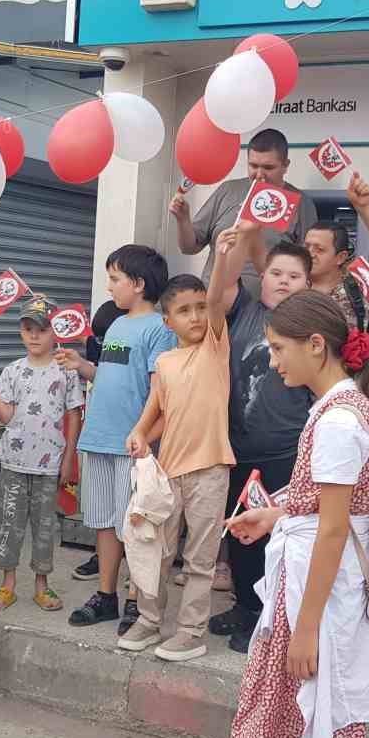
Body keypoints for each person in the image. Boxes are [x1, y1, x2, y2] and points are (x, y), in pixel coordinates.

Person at [225, 289, 369, 738]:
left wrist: (306, 628)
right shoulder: (342, 409)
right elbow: (324, 509)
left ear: (316, 346)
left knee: (329, 719)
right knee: (282, 706)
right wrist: (275, 517)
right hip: (306, 589)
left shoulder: (338, 423)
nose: (273, 361)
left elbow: (332, 529)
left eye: (278, 349)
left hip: (320, 599)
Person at [207, 229, 315, 654]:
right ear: (261, 278)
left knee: (277, 538)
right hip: (237, 448)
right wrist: (222, 254)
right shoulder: (246, 313)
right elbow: (217, 295)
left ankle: (273, 617)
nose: (284, 281)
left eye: (294, 275)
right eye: (275, 273)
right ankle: (247, 607)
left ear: (307, 285)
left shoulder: (310, 328)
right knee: (240, 534)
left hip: (284, 454)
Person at [58, 245, 176, 632]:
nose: (109, 287)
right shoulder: (118, 325)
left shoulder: (160, 329)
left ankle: (134, 600)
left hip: (132, 446)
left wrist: (142, 434)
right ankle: (106, 595)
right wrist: (83, 367)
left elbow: (160, 392)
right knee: (105, 524)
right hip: (99, 438)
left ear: (138, 284)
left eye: (114, 278)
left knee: (136, 527)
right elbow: (113, 377)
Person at [123, 270, 234, 662]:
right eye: (184, 311)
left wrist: (223, 254)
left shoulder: (216, 349)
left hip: (210, 469)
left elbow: (220, 295)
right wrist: (139, 432)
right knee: (158, 551)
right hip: (167, 471)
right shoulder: (166, 360)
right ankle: (149, 620)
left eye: (200, 307)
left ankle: (191, 632)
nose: (196, 317)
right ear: (167, 321)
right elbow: (157, 407)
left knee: (200, 559)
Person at [0, 295, 84, 612]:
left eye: (41, 329)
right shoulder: (13, 371)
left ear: (55, 331)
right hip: (14, 463)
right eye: (27, 328)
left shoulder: (66, 370)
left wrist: (69, 458)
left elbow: (73, 414)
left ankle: (42, 585)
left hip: (50, 465)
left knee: (44, 526)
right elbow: (6, 414)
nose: (34, 336)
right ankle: (7, 584)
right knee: (8, 523)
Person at [169, 128, 320, 290]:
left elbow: (309, 264)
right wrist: (182, 219)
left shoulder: (301, 203)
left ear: (285, 165)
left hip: (268, 305)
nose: (259, 174)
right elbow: (189, 247)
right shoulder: (228, 190)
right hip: (216, 300)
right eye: (253, 166)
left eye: (268, 167)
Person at [304, 172, 369, 347]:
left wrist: (364, 208)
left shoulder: (356, 285)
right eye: (307, 246)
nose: (310, 253)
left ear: (340, 257)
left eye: (319, 249)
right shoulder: (293, 284)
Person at [72, 299, 125, 582]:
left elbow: (118, 373)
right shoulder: (100, 342)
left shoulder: (130, 341)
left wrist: (83, 365)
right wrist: (81, 361)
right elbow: (102, 371)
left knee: (128, 515)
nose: (101, 342)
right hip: (99, 436)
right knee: (103, 513)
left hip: (128, 440)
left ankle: (135, 579)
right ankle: (104, 559)